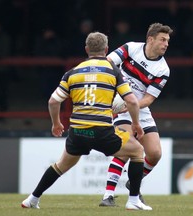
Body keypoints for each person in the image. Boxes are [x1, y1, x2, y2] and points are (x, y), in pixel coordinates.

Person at [21, 32, 152, 211]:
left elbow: (53, 101)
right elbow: (131, 101)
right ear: (106, 50)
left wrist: (56, 123)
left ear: (86, 49)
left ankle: (32, 199)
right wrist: (136, 123)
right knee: (137, 151)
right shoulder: (113, 70)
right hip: (102, 132)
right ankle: (134, 200)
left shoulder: (72, 72)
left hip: (78, 132)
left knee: (61, 165)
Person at [99, 23, 173, 207]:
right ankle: (108, 196)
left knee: (155, 154)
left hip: (139, 109)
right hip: (119, 105)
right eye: (163, 40)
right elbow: (107, 63)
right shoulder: (131, 48)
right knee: (128, 146)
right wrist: (115, 91)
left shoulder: (163, 69)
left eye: (168, 41)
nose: (166, 44)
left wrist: (130, 106)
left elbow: (148, 99)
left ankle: (134, 181)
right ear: (150, 39)